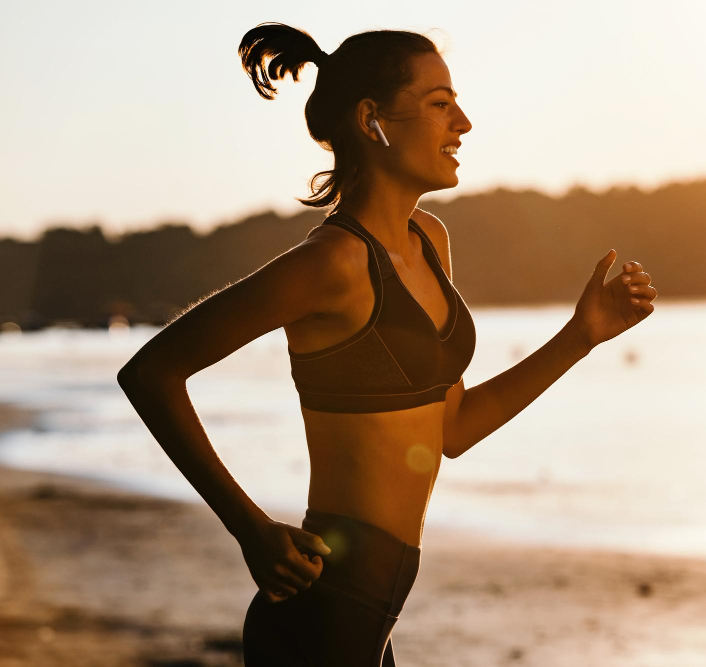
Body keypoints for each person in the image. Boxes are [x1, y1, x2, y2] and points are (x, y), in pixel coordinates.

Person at [116, 21, 657, 666]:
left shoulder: (431, 243)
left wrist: (582, 335)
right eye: (439, 103)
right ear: (374, 119)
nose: (464, 122)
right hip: (320, 616)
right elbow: (151, 373)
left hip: (371, 622)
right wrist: (252, 530)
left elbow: (452, 429)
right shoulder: (330, 266)